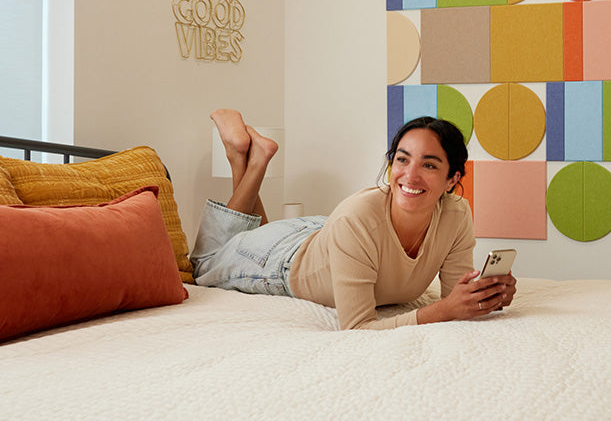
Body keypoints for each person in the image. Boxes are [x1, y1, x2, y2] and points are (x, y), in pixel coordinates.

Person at [190, 110, 517, 330]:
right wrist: (444, 311)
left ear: (452, 178)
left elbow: (453, 297)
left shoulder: (457, 214)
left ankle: (247, 155)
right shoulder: (358, 217)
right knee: (202, 267)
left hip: (327, 233)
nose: (410, 175)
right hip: (283, 260)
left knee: (248, 237)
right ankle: (249, 159)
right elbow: (358, 328)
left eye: (429, 165)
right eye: (402, 160)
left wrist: (485, 297)